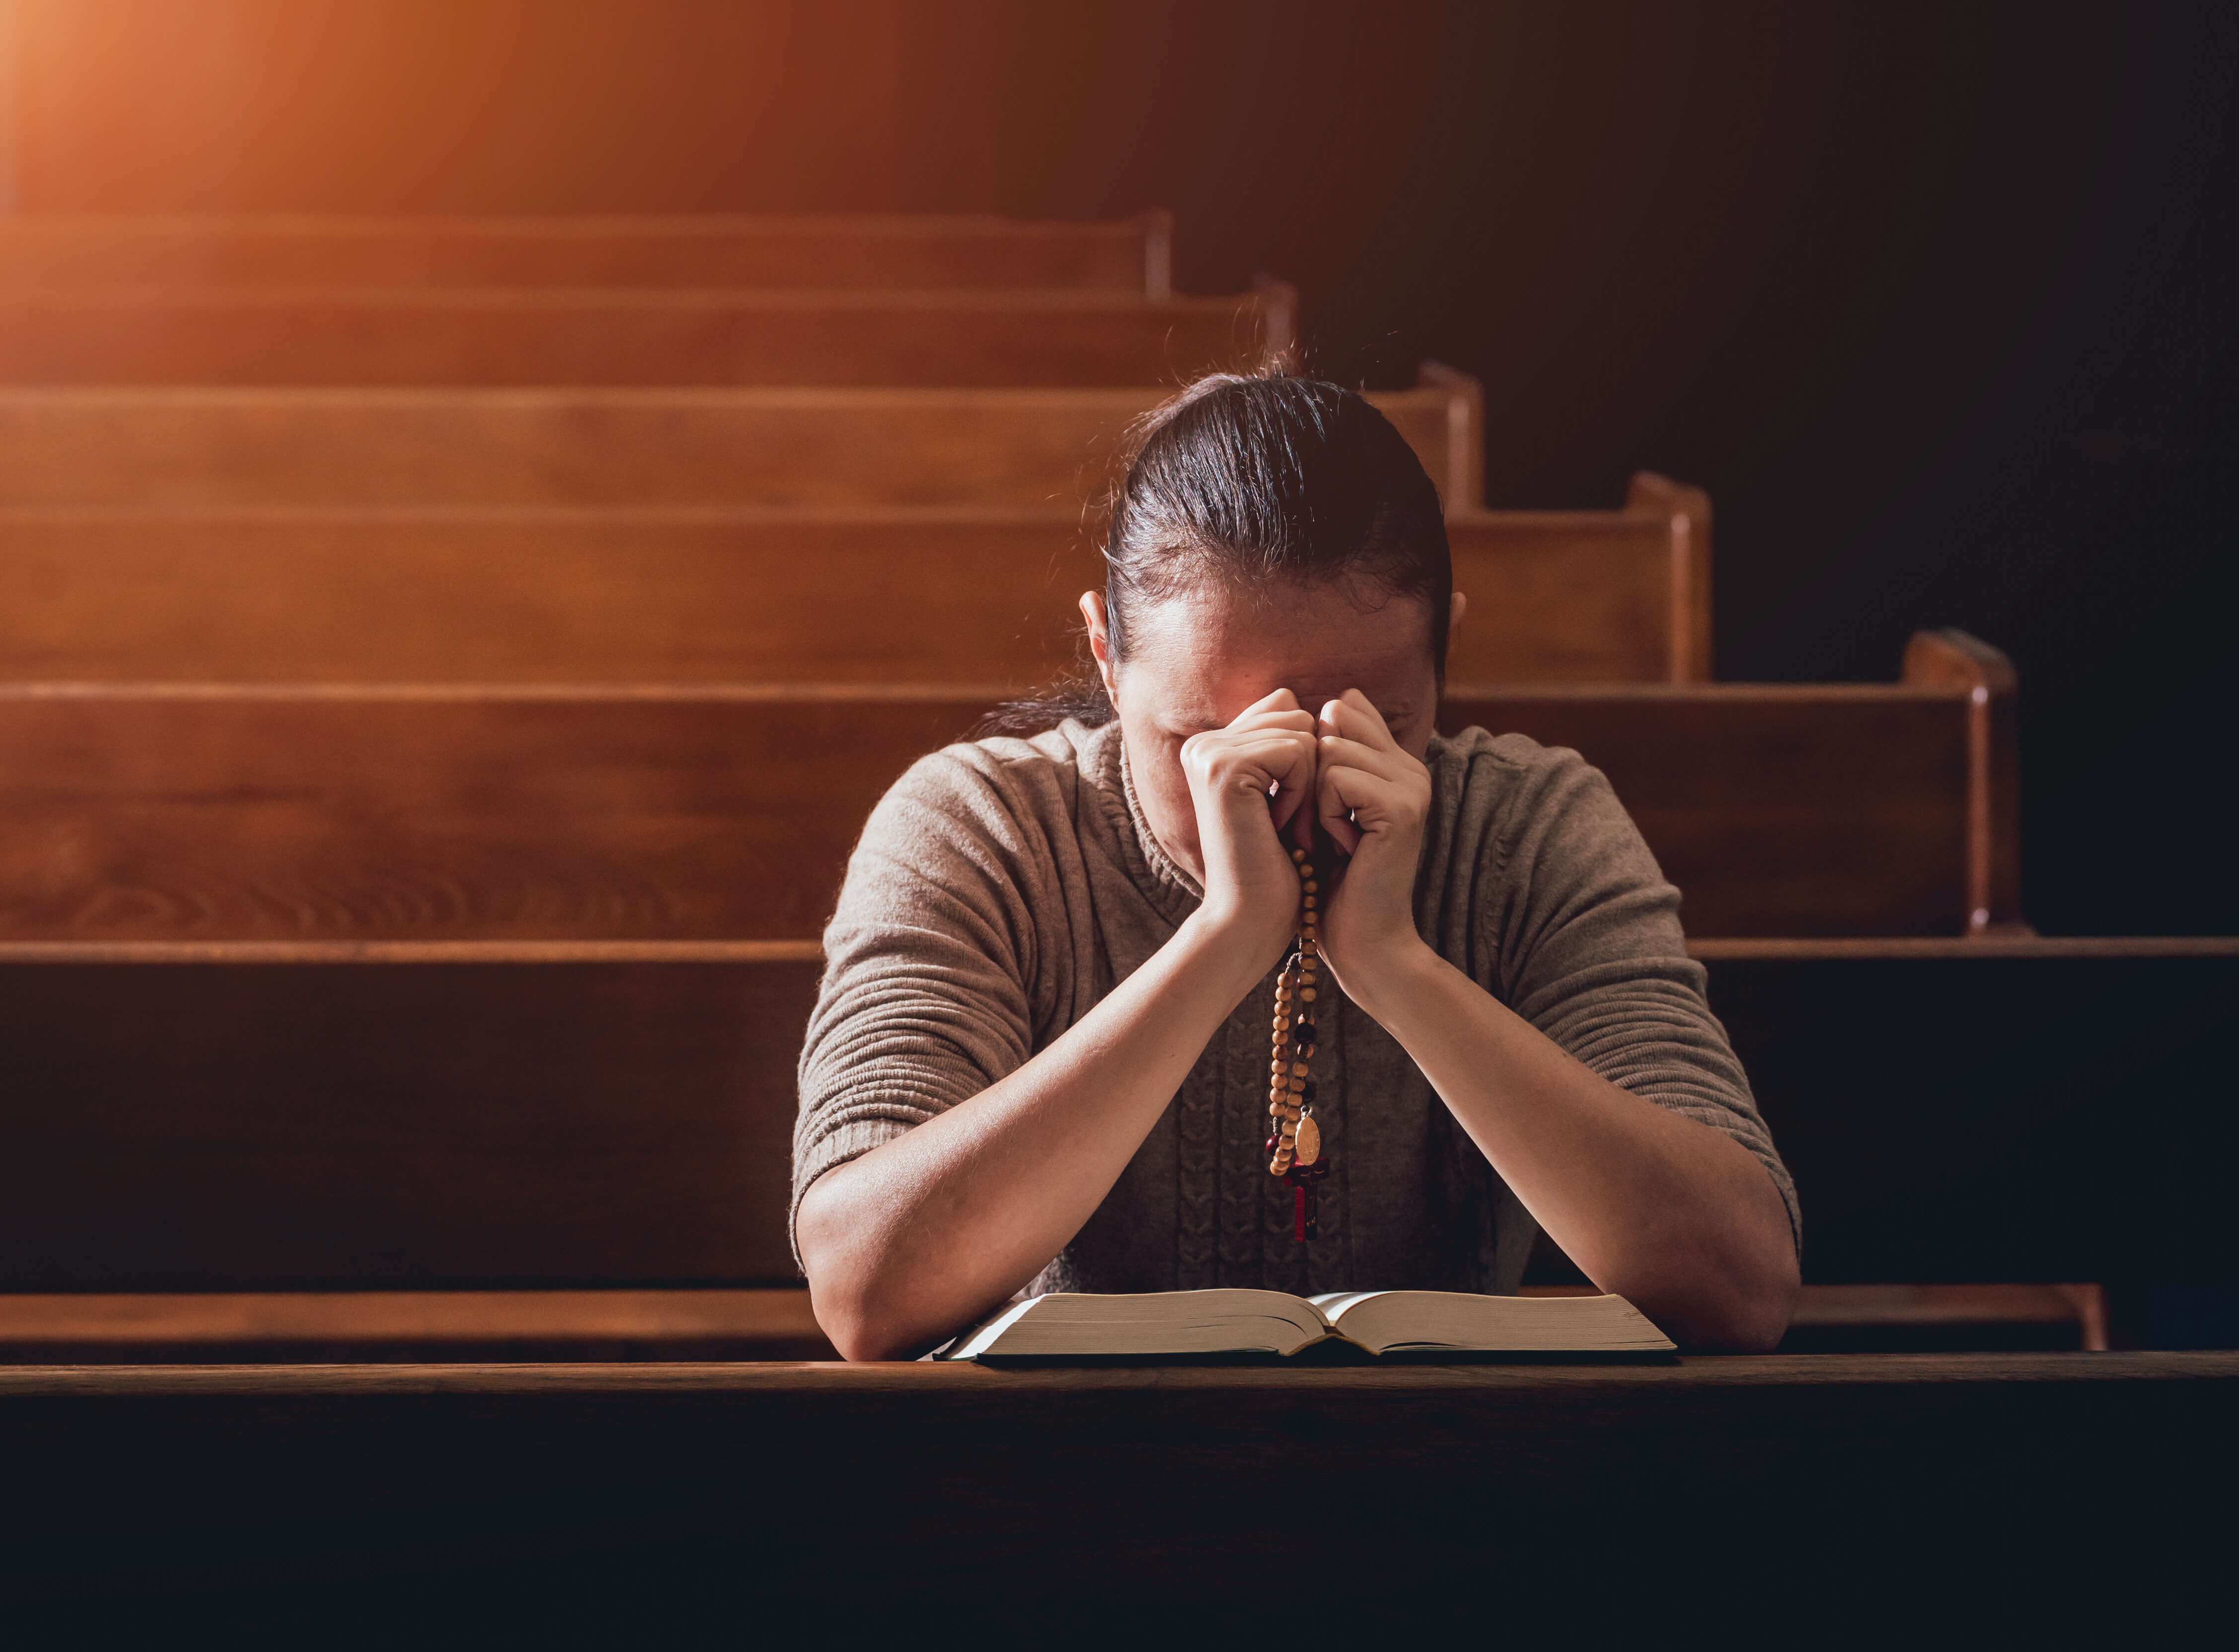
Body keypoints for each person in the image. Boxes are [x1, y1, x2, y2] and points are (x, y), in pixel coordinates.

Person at [793, 371, 1800, 1359]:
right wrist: (1223, 939)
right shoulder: (980, 824)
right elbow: (867, 1287)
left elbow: (1739, 1282)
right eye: (1201, 738)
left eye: (1372, 728)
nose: (1278, 796)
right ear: (1105, 650)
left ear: (1445, 645)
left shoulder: (1528, 827)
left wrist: (1395, 965)